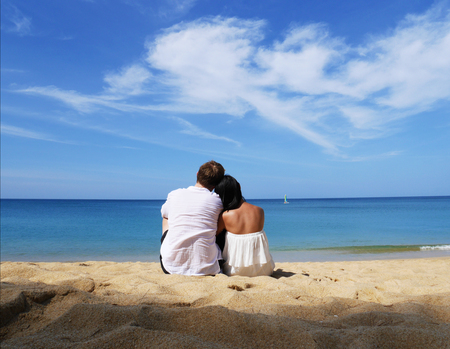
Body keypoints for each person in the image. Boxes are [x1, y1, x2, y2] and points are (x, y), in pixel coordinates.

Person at [160, 160, 225, 275]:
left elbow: (164, 214)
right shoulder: (218, 200)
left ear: (197, 174)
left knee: (166, 217)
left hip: (170, 267)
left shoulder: (175, 194)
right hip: (207, 268)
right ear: (217, 184)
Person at [215, 175, 275, 276]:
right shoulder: (260, 211)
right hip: (264, 271)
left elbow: (212, 236)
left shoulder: (225, 216)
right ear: (239, 186)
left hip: (235, 272)